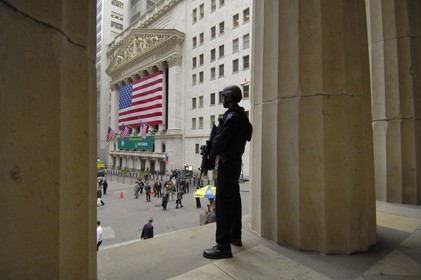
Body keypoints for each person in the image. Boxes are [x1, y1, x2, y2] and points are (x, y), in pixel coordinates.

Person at [202, 85, 253, 259]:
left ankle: (223, 245)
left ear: (230, 98)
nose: (223, 100)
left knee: (223, 204)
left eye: (224, 97)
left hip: (227, 163)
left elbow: (219, 140)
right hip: (234, 162)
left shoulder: (232, 116)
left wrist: (209, 158)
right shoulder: (241, 116)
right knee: (233, 200)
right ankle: (234, 236)